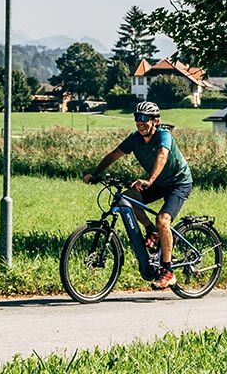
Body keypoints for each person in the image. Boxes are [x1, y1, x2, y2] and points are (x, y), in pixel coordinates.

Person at [83, 101, 193, 289]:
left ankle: (167, 272)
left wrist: (149, 180)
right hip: (158, 182)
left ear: (155, 121)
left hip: (178, 183)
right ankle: (151, 230)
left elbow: (162, 156)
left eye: (144, 118)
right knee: (127, 198)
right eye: (137, 118)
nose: (140, 122)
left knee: (163, 220)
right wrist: (95, 173)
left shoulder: (163, 136)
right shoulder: (135, 139)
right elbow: (113, 155)